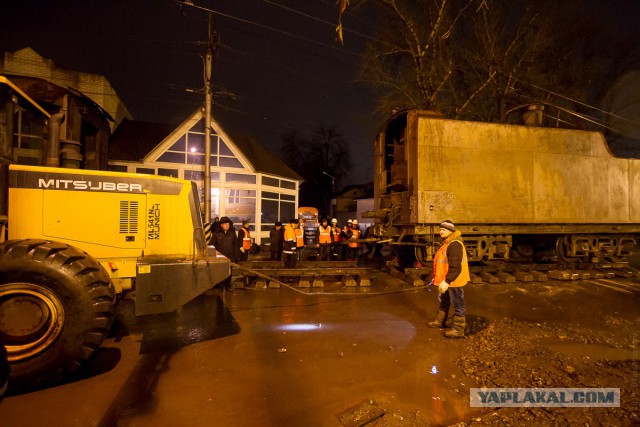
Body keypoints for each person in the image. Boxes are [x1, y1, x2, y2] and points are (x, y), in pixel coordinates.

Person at [427, 220, 470, 338]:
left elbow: (455, 267)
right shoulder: (446, 243)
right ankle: (441, 321)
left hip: (453, 281)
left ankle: (458, 330)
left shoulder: (454, 245)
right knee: (444, 300)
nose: (441, 232)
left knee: (458, 303)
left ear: (451, 231)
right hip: (446, 280)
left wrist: (447, 281)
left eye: (444, 230)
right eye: (440, 229)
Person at [212, 216, 238, 290]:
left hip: (230, 257)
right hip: (220, 258)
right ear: (221, 225)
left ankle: (228, 286)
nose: (227, 225)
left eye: (228, 224)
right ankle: (221, 286)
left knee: (229, 272)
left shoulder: (232, 234)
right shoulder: (216, 234)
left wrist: (235, 256)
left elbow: (236, 244)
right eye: (225, 224)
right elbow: (212, 244)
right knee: (220, 272)